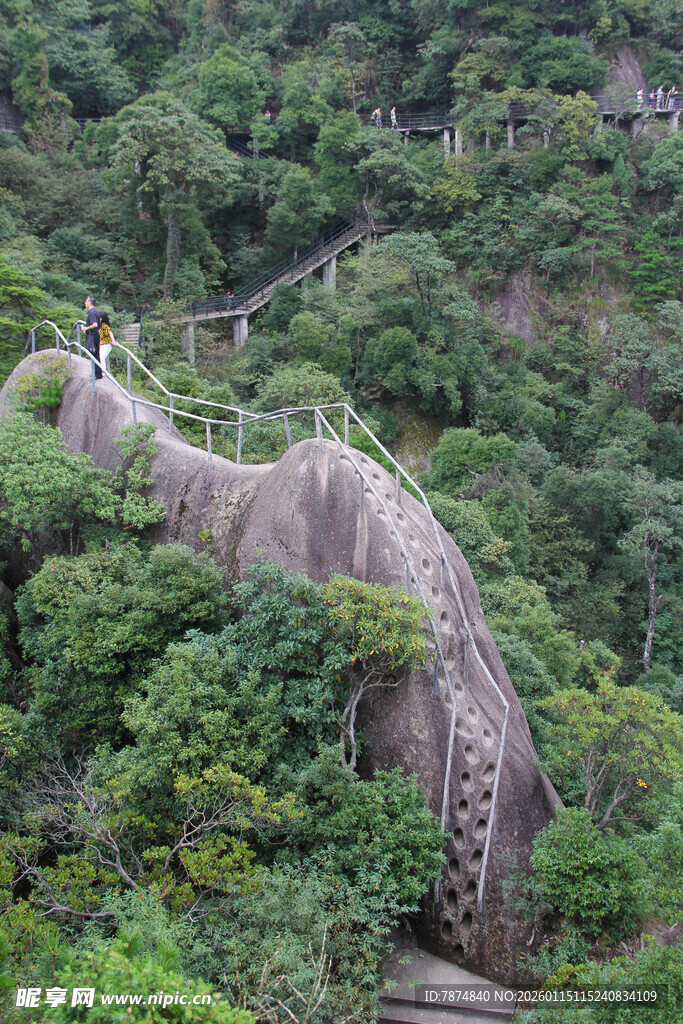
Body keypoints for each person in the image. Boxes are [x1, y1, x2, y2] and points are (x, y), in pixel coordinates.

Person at [83, 295, 102, 379]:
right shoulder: (94, 312)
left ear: (89, 303)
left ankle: (97, 374)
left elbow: (95, 324)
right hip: (94, 335)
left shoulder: (92, 312)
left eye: (86, 301)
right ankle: (97, 373)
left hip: (93, 336)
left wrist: (85, 328)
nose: (85, 303)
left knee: (94, 354)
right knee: (94, 354)